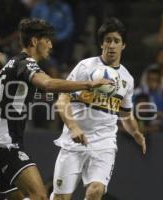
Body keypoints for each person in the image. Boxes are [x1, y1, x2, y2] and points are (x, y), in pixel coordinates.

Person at [0, 18, 112, 200]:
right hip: (5, 142)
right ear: (35, 41)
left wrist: (75, 97)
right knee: (40, 196)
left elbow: (34, 95)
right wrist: (88, 84)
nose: (51, 45)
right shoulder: (26, 63)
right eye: (47, 40)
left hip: (1, 140)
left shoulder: (13, 63)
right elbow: (49, 84)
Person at [50, 18, 146, 200]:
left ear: (123, 45)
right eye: (108, 40)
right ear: (101, 43)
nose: (111, 45)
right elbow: (62, 100)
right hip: (74, 142)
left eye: (116, 41)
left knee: (96, 191)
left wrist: (136, 133)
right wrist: (73, 127)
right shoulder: (85, 67)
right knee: (61, 198)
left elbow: (125, 114)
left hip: (104, 143)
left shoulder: (127, 79)